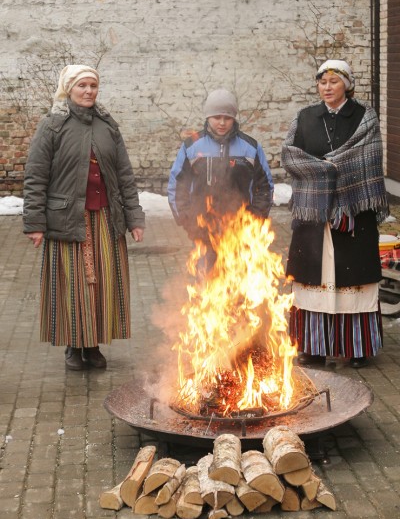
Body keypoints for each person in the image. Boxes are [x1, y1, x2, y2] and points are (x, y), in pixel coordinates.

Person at [23, 64, 145, 370]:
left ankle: (93, 345)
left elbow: (125, 176)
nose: (89, 91)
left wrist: (135, 218)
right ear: (69, 88)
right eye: (82, 86)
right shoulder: (52, 126)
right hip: (67, 219)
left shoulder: (108, 126)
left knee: (102, 283)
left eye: (93, 85)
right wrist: (35, 223)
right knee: (72, 284)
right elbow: (36, 177)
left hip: (105, 219)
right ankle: (72, 347)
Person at [281, 59, 389, 369]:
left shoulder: (364, 118)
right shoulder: (304, 117)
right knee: (312, 281)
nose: (327, 87)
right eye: (322, 82)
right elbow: (290, 155)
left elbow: (369, 158)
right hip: (314, 212)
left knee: (353, 283)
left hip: (354, 210)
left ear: (347, 85)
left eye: (334, 81)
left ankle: (357, 348)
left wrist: (333, 173)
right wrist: (326, 171)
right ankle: (312, 348)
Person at [167, 88, 274, 274]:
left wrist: (255, 217)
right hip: (203, 229)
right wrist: (188, 221)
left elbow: (265, 186)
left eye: (228, 117)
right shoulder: (192, 147)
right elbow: (177, 187)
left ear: (234, 118)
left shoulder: (250, 147)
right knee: (207, 286)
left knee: (238, 282)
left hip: (241, 229)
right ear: (208, 117)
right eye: (217, 117)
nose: (222, 123)